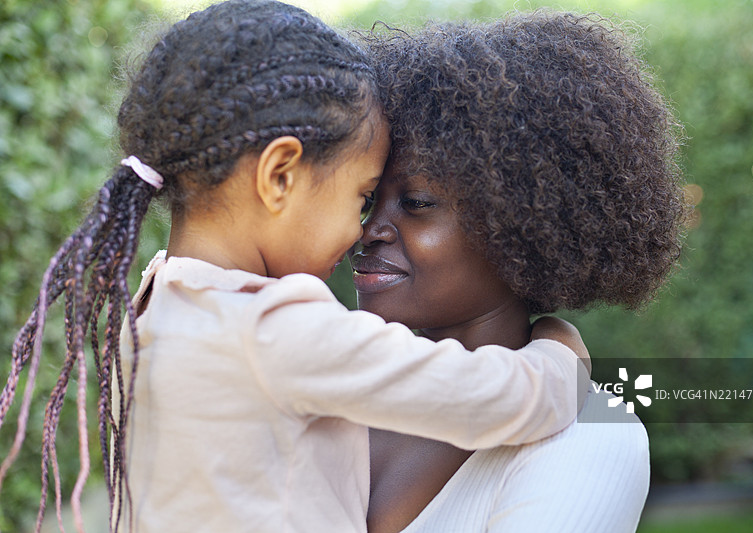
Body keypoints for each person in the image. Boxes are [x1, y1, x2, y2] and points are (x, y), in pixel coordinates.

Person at [0, 2, 593, 532]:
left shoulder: (150, 307)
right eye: (360, 196)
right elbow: (492, 398)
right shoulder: (277, 328)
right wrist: (559, 354)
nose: (361, 229)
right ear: (279, 175)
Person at [356, 10, 686, 533]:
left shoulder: (589, 434)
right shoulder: (326, 384)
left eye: (415, 202)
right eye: (365, 201)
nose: (370, 229)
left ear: (524, 222)